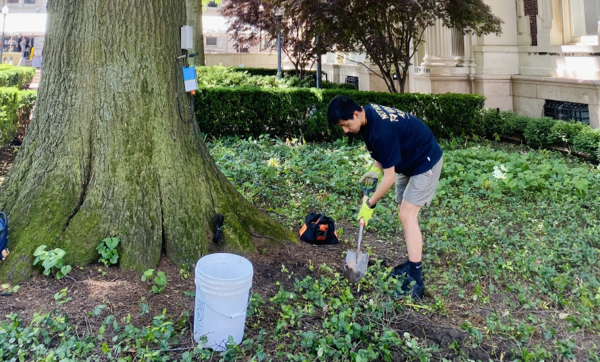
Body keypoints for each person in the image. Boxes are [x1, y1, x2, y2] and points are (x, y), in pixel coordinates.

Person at [326, 95, 443, 299]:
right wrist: (374, 170)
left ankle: (416, 279)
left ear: (355, 114)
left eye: (345, 125)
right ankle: (411, 263)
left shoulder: (381, 130)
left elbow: (389, 179)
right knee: (403, 213)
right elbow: (382, 154)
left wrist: (369, 205)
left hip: (425, 161)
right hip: (407, 159)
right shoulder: (367, 116)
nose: (345, 130)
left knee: (408, 215)